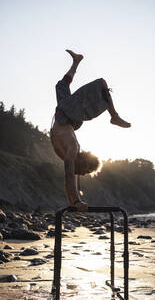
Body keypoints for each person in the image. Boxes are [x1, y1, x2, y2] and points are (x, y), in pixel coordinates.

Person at [50, 50, 131, 212]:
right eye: (87, 171)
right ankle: (114, 116)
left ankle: (77, 61)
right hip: (69, 113)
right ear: (84, 161)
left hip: (66, 115)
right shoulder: (72, 148)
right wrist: (76, 201)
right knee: (100, 83)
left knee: (62, 85)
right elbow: (69, 175)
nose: (85, 174)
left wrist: (75, 200)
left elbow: (70, 174)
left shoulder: (71, 153)